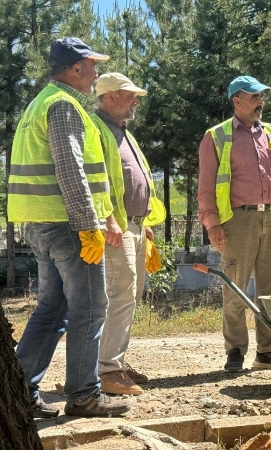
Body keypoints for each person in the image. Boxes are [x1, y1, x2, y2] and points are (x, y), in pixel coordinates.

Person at [9, 37, 129, 418]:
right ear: (76, 69)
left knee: (54, 306)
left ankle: (19, 391)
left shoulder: (41, 102)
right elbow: (71, 170)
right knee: (91, 308)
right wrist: (87, 226)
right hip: (67, 225)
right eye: (92, 66)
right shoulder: (63, 105)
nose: (96, 74)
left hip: (42, 223)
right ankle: (84, 395)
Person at [198, 75, 271, 373]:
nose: (260, 102)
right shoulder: (216, 136)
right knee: (236, 288)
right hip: (237, 220)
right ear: (236, 101)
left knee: (270, 288)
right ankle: (236, 352)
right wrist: (212, 224)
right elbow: (205, 187)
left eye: (261, 96)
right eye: (254, 97)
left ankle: (266, 351)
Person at [90, 73, 166, 395]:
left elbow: (134, 180)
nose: (136, 101)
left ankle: (113, 361)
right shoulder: (95, 129)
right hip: (114, 228)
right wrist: (108, 220)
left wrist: (144, 224)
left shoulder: (122, 132)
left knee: (129, 297)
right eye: (130, 95)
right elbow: (94, 181)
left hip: (133, 226)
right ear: (109, 97)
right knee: (119, 296)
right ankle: (108, 370)